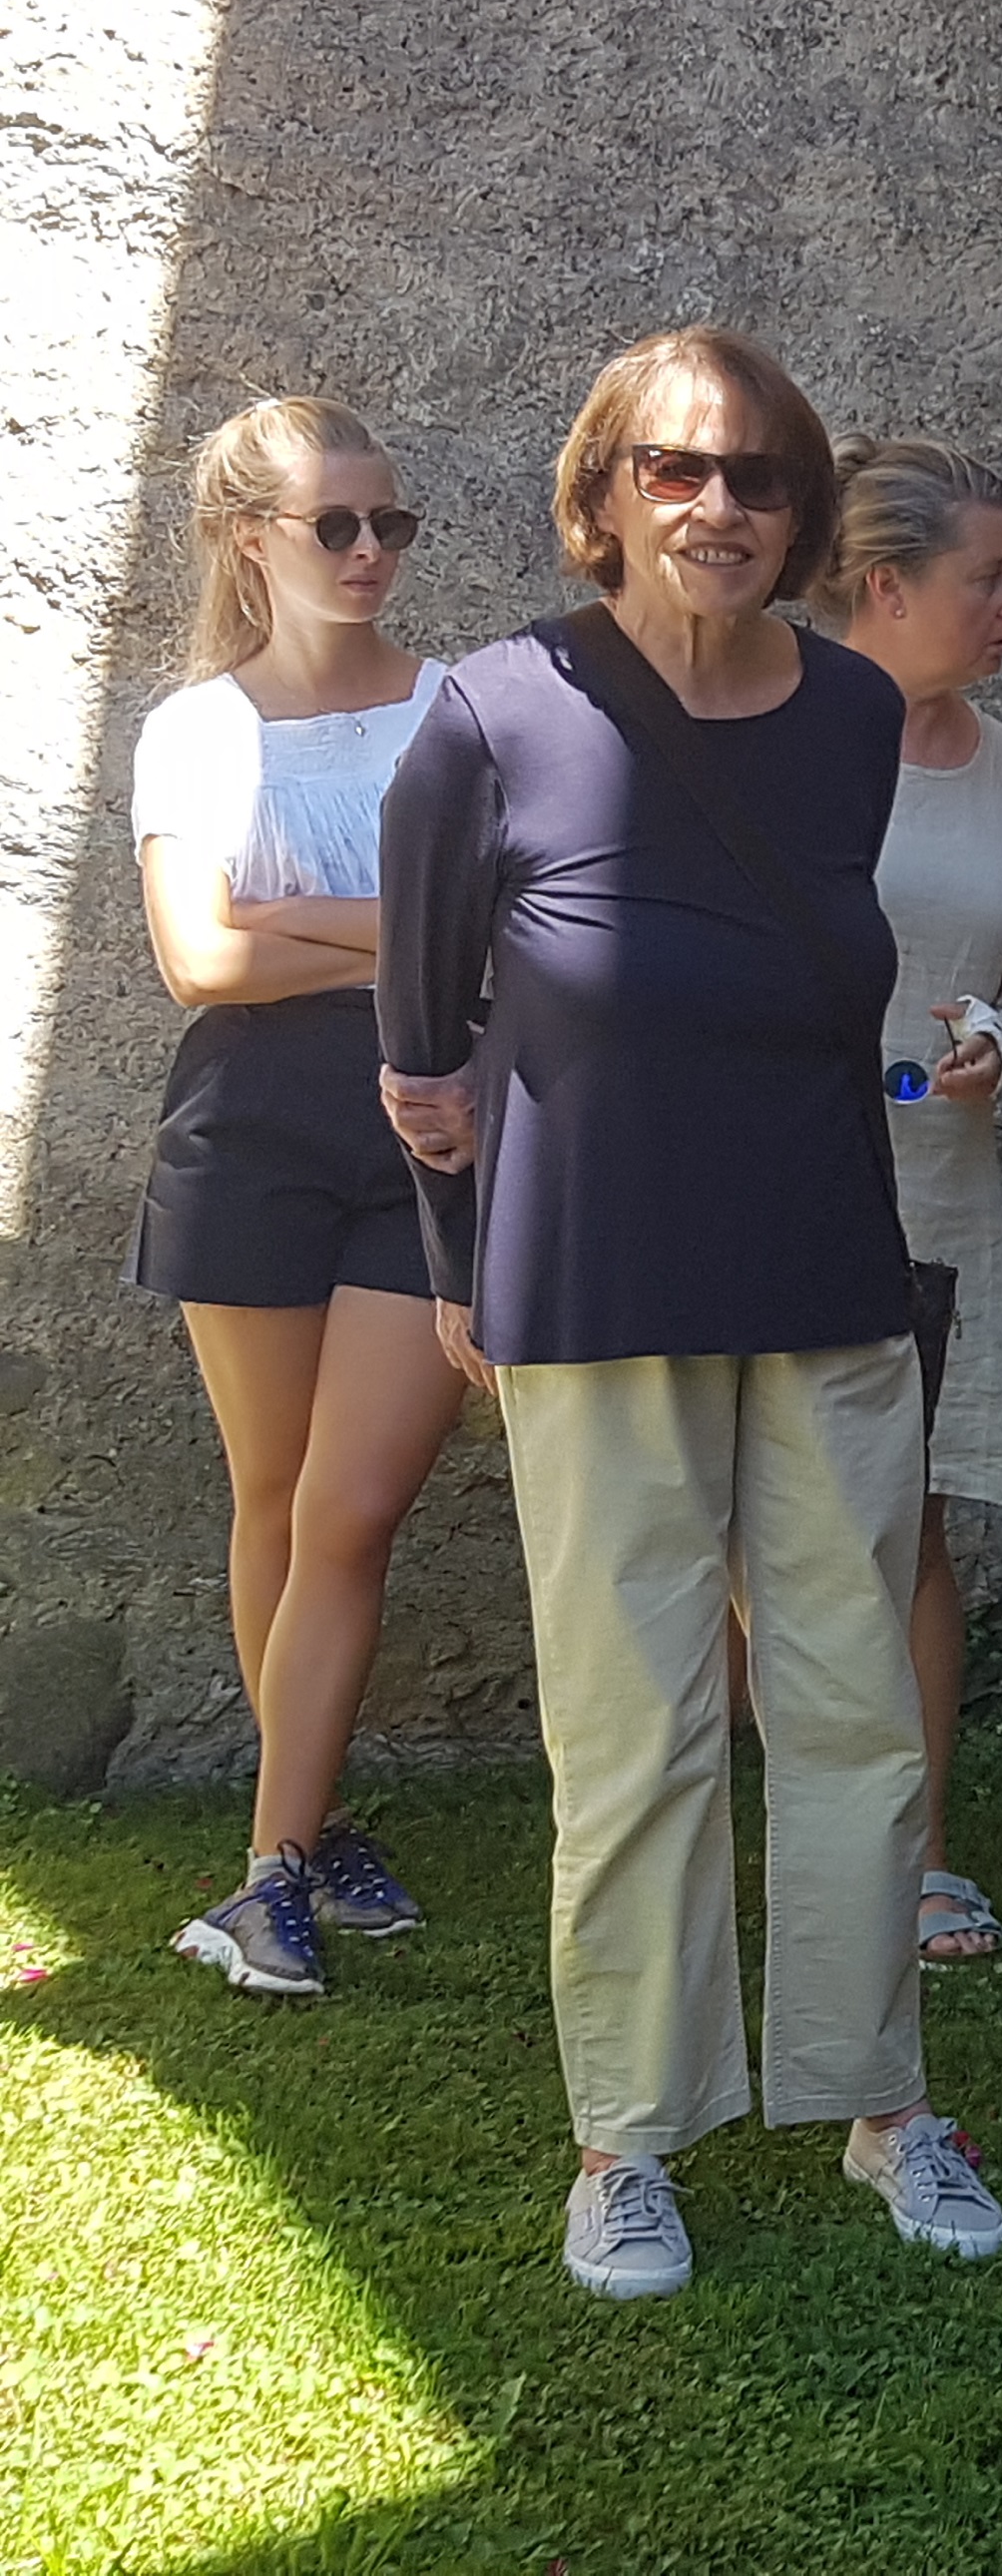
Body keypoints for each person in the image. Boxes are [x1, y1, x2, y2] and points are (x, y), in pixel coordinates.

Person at [374, 325, 1002, 2300]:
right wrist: (462, 1272)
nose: (715, 506)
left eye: (753, 476)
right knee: (635, 1724)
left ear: (802, 510)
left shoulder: (842, 712)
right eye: (673, 469)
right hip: (594, 1285)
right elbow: (422, 1057)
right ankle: (626, 2136)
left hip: (824, 1270)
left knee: (854, 1714)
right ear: (607, 494)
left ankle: (879, 2100)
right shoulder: (491, 709)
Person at [132, 396, 468, 2000]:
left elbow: (487, 930)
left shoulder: (455, 706)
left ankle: (267, 1873)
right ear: (247, 538)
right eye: (335, 525)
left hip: (428, 1117)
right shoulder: (202, 726)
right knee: (272, 1497)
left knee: (354, 1502)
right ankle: (307, 1824)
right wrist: (393, 917)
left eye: (389, 524)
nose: (367, 554)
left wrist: (314, 915)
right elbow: (201, 957)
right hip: (252, 1120)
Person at [814, 435, 1002, 1967]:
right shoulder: (780, 729)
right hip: (786, 1189)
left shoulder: (1000, 759)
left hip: (936, 1194)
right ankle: (771, 1848)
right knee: (762, 1535)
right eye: (989, 578)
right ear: (884, 584)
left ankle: (913, 1862)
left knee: (906, 1531)